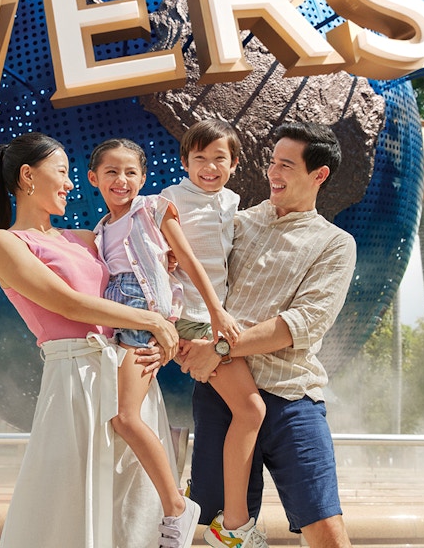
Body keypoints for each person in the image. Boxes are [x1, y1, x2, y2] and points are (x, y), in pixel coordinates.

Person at [0, 132, 183, 548]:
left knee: (133, 502)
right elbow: (67, 303)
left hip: (126, 366)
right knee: (67, 500)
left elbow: (142, 273)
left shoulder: (87, 237)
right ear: (27, 175)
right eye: (62, 172)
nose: (72, 184)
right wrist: (151, 321)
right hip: (74, 379)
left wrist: (163, 318)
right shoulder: (5, 242)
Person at [180, 122, 358, 548]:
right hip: (223, 392)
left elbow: (304, 322)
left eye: (286, 165)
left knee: (327, 531)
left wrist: (218, 348)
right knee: (219, 530)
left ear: (319, 175)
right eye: (272, 162)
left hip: (292, 395)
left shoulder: (335, 244)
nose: (273, 173)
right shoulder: (236, 224)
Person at [87, 136, 239, 548]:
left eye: (131, 171)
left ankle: (178, 506)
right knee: (120, 418)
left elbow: (186, 259)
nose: (122, 180)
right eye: (112, 172)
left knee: (125, 417)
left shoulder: (153, 208)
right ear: (94, 178)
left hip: (146, 319)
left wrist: (215, 312)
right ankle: (168, 508)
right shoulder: (100, 230)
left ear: (145, 177)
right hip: (122, 323)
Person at [160, 119, 268, 547]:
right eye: (199, 158)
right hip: (191, 318)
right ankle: (230, 525)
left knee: (246, 413)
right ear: (184, 161)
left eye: (218, 158)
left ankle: (210, 513)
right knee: (251, 411)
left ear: (234, 163)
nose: (208, 166)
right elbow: (174, 257)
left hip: (215, 317)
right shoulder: (170, 199)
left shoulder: (233, 202)